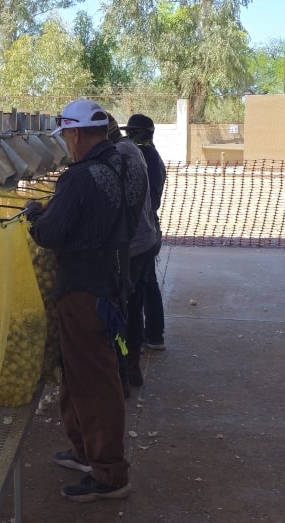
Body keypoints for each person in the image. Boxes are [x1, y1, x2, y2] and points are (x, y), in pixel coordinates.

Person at [23, 98, 141, 502]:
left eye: (66, 137)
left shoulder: (79, 177)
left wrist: (34, 216)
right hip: (111, 281)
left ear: (73, 134)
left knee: (95, 381)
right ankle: (84, 452)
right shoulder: (123, 162)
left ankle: (109, 472)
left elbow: (50, 235)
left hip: (83, 291)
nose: (67, 145)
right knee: (77, 373)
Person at [108, 115, 160, 389]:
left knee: (122, 311)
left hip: (133, 246)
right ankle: (132, 368)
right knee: (135, 305)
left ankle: (124, 371)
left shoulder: (119, 156)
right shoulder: (131, 151)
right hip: (143, 240)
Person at [123, 114, 168, 352]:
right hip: (149, 228)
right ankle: (151, 333)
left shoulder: (145, 157)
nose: (128, 137)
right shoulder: (148, 155)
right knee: (147, 282)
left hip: (146, 228)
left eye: (131, 132)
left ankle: (151, 334)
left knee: (145, 284)